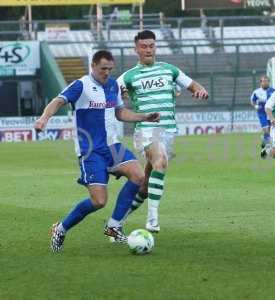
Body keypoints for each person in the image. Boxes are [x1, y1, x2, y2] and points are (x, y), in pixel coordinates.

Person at [34, 50, 160, 252]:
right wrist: (43, 118)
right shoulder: (81, 85)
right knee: (99, 201)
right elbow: (58, 101)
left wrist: (143, 117)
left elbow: (119, 112)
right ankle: (61, 228)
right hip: (90, 151)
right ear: (93, 66)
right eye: (103, 69)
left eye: (110, 69)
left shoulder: (112, 86)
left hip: (113, 146)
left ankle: (113, 226)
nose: (107, 73)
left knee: (138, 177)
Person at [117, 30, 208, 233]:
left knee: (145, 186)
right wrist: (119, 96)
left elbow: (192, 85)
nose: (148, 49)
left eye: (151, 45)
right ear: (136, 49)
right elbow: (111, 99)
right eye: (144, 46)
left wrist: (200, 91)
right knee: (161, 161)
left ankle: (116, 223)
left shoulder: (169, 70)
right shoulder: (128, 77)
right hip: (147, 130)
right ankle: (152, 219)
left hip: (168, 132)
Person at [250, 75, 275, 159]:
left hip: (270, 113)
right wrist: (255, 106)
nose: (265, 82)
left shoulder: (273, 91)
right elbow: (252, 101)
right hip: (262, 113)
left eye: (267, 81)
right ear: (261, 82)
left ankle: (264, 140)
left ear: (269, 82)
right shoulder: (256, 92)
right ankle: (266, 149)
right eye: (263, 81)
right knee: (266, 130)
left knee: (270, 131)